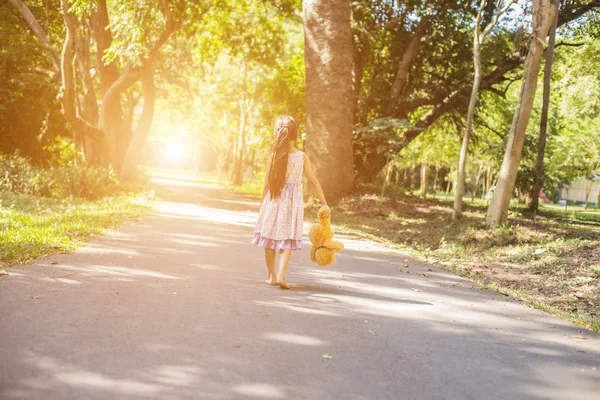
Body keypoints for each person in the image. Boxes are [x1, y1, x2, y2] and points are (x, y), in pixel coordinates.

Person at [252, 116, 329, 289]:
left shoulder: (273, 156)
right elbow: (314, 181)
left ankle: (271, 276)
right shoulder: (302, 157)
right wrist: (324, 203)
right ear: (295, 134)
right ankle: (281, 275)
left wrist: (261, 205)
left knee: (269, 237)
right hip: (292, 202)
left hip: (273, 199)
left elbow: (266, 184)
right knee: (286, 237)